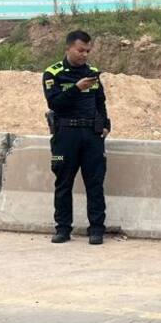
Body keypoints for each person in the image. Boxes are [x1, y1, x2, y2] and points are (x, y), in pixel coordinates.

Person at [42, 30, 110, 245]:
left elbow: (100, 102)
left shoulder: (93, 72)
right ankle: (62, 228)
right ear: (68, 48)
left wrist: (106, 124)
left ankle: (96, 229)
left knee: (95, 183)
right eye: (81, 50)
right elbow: (55, 103)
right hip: (65, 136)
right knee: (63, 182)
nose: (84, 55)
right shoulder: (53, 73)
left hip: (91, 135)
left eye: (88, 51)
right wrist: (76, 88)